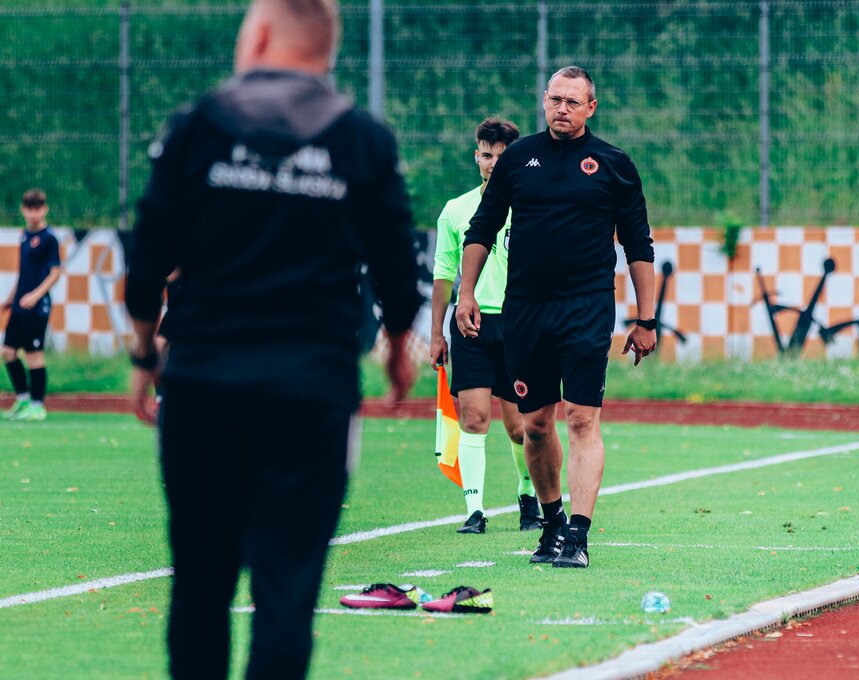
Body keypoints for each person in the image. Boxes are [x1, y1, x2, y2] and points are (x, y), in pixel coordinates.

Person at [124, 0, 422, 677]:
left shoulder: (197, 125)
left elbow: (149, 256)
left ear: (258, 34)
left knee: (200, 584)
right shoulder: (363, 139)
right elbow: (395, 260)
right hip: (312, 391)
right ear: (328, 47)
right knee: (287, 590)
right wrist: (398, 350)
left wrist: (144, 352)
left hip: (203, 383)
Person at [456, 66, 657, 569]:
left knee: (582, 418)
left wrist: (647, 319)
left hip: (587, 308)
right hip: (525, 310)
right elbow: (482, 228)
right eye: (554, 99)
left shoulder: (613, 164)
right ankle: (551, 524)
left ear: (591, 107)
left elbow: (638, 245)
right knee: (536, 425)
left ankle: (579, 536)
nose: (561, 109)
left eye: (572, 101)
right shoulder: (518, 158)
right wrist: (466, 294)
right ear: (544, 101)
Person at [429, 117, 542, 534]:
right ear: (476, 157)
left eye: (501, 156)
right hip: (470, 324)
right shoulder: (455, 210)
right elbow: (444, 274)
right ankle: (474, 511)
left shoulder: (532, 206)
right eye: (486, 155)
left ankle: (527, 494)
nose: (493, 163)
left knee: (521, 427)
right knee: (474, 419)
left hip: (519, 326)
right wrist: (436, 334)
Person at [2, 189, 61, 422]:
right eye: (30, 209)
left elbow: (55, 273)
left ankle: (38, 406)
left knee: (34, 355)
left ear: (45, 209)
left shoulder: (49, 238)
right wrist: (10, 297)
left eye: (38, 208)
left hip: (38, 307)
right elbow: (23, 272)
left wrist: (35, 296)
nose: (34, 213)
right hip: (20, 305)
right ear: (23, 210)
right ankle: (23, 399)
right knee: (8, 352)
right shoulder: (24, 235)